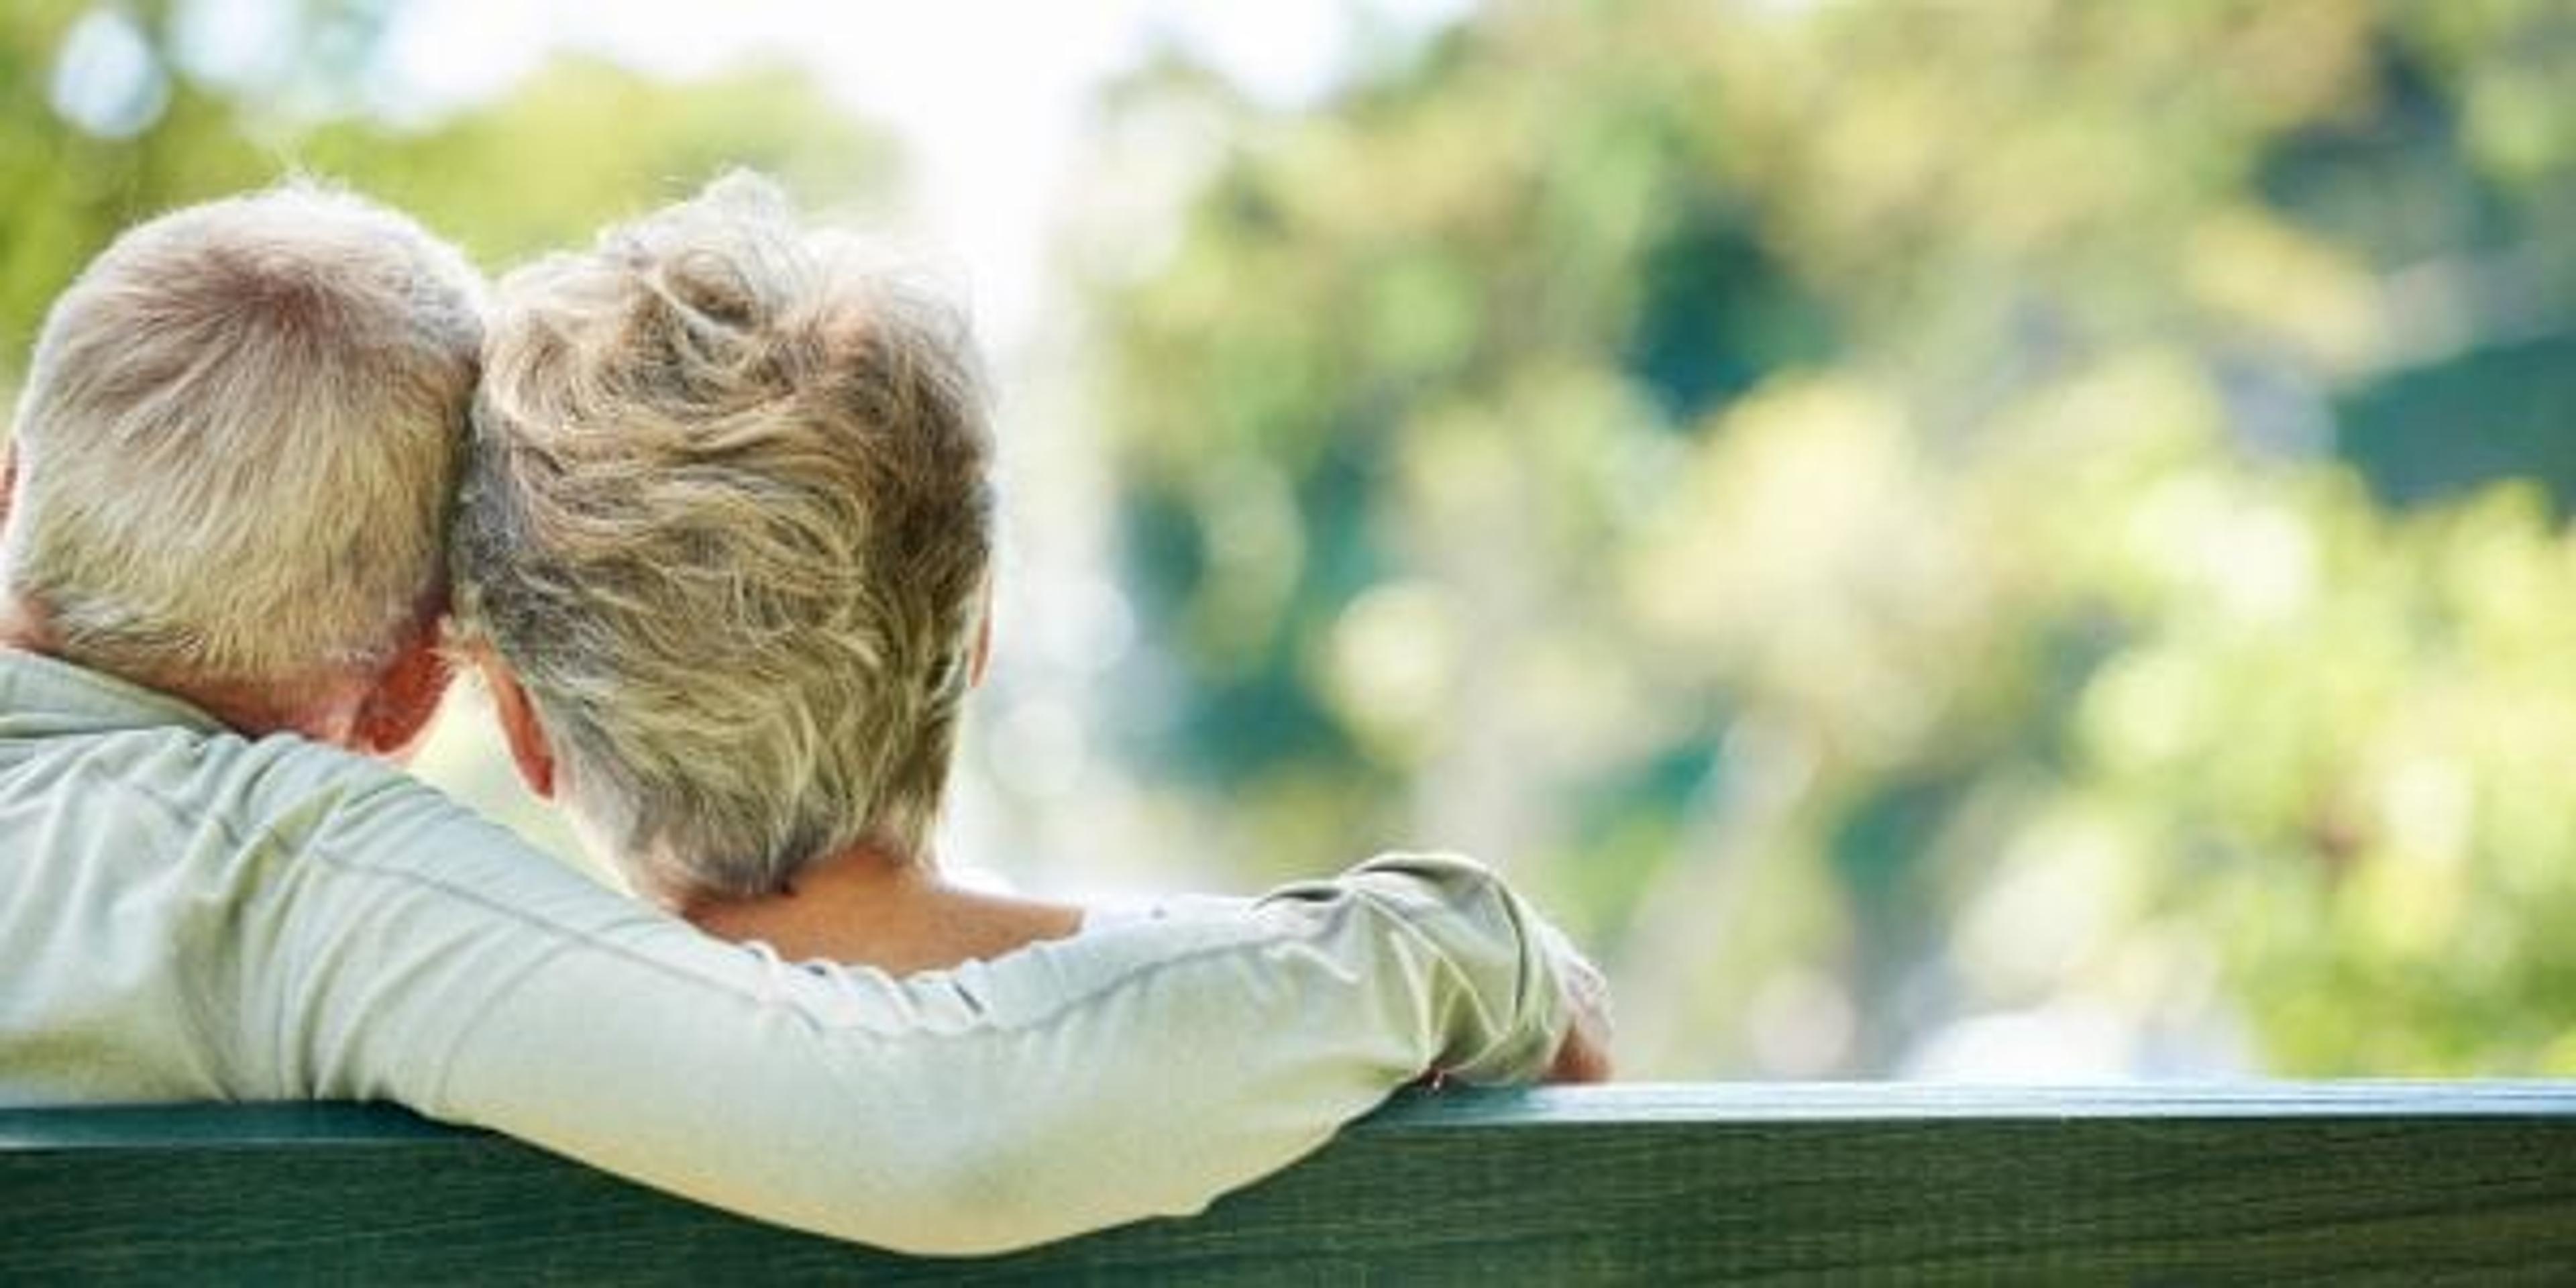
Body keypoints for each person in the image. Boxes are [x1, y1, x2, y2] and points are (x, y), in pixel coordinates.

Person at [0, 181, 1607, 1255]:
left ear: (13, 491)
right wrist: (1449, 945)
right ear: (423, 688)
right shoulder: (271, 887)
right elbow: (938, 1124)